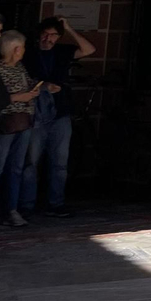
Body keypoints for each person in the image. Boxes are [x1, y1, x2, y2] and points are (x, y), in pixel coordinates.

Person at [23, 16, 93, 219]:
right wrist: (43, 86)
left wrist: (69, 28)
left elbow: (89, 50)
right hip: (35, 112)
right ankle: (27, 204)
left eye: (54, 35)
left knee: (60, 162)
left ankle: (56, 203)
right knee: (31, 161)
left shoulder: (63, 52)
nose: (49, 38)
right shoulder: (28, 54)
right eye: (45, 34)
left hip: (60, 112)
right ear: (39, 35)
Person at [0, 30, 43, 228]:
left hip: (24, 121)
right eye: (22, 47)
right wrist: (20, 97)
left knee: (16, 168)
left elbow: (26, 85)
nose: (23, 51)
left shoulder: (21, 67)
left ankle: (11, 210)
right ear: (16, 50)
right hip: (5, 123)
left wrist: (35, 89)